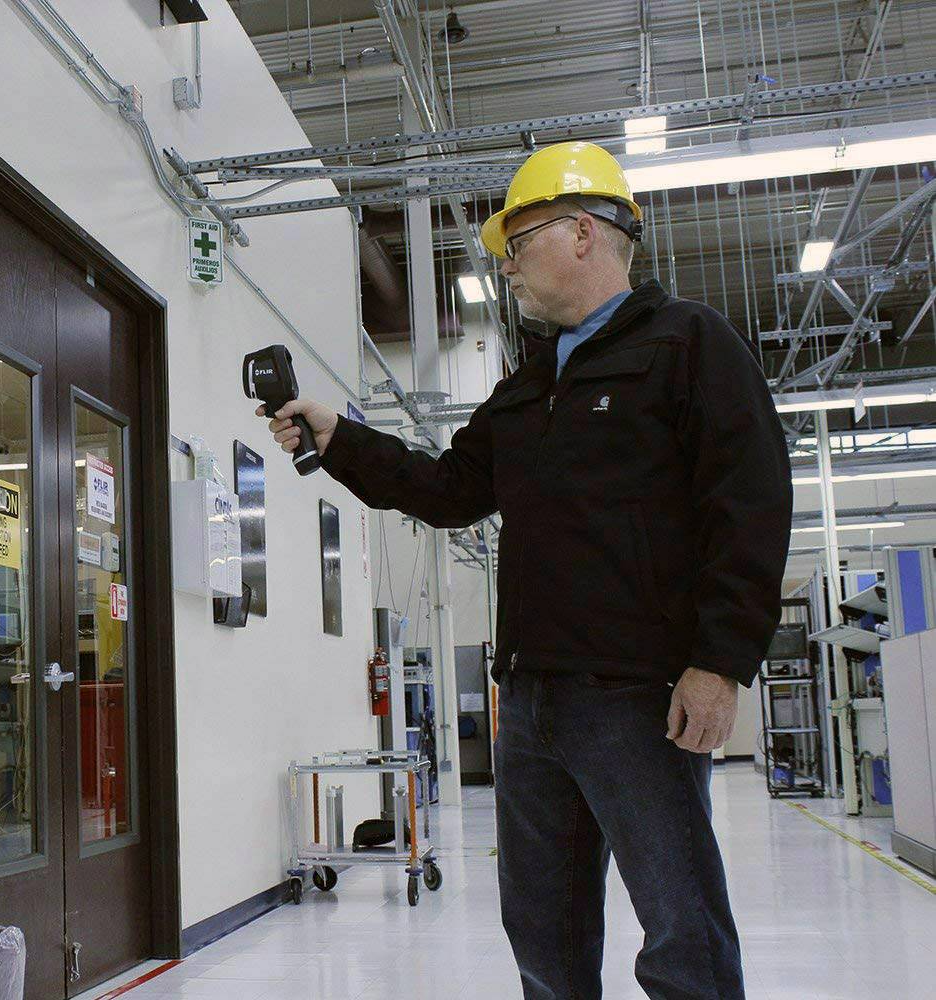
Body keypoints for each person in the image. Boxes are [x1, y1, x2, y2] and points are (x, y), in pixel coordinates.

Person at [260, 141, 791, 1000]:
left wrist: (721, 661)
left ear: (583, 232)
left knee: (681, 927)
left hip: (638, 696)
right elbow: (446, 489)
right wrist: (338, 435)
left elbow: (751, 508)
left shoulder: (688, 345)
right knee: (542, 929)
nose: (505, 263)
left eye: (520, 238)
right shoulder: (527, 385)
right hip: (532, 702)